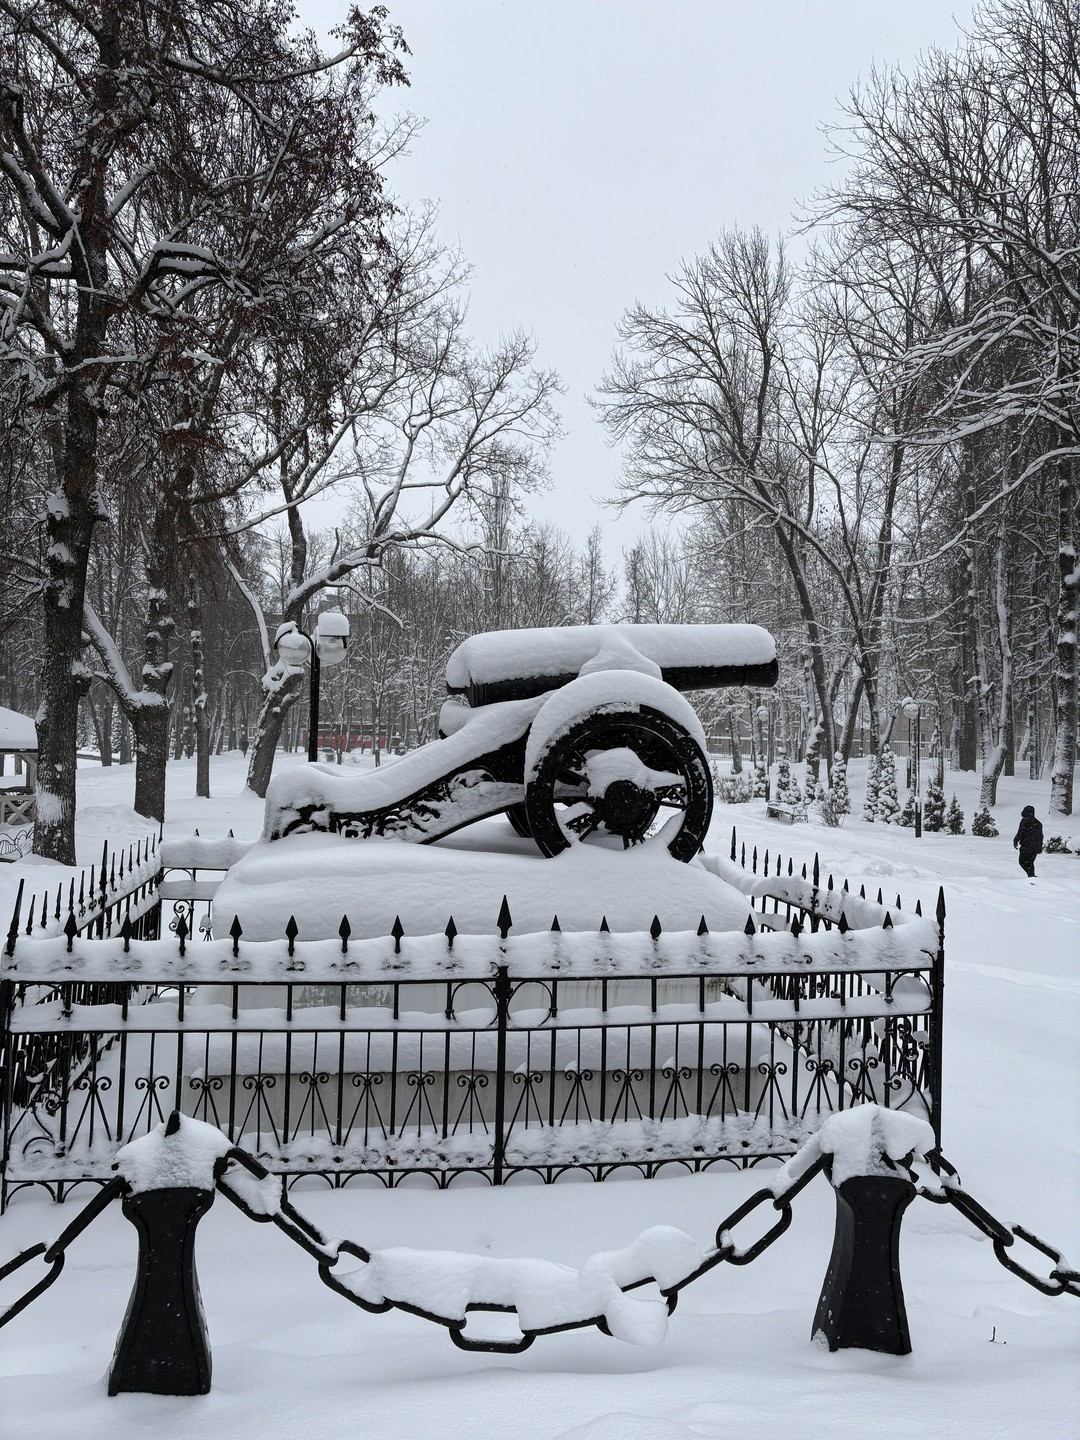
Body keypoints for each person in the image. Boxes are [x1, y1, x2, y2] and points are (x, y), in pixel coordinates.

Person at [1012, 805, 1043, 877]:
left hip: (1026, 846)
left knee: (1022, 862)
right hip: (1035, 847)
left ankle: (1031, 875)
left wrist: (1016, 840)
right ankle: (1031, 876)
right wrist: (1039, 847)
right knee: (1030, 862)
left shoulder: (1025, 821)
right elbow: (1041, 836)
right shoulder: (1038, 823)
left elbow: (1020, 832)